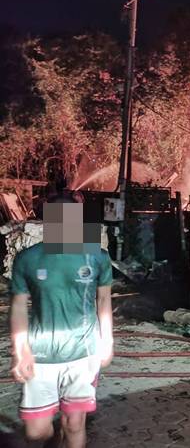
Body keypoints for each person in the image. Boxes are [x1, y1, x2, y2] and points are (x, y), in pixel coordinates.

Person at [8, 192, 113, 448]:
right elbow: (19, 305)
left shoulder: (97, 256)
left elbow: (103, 301)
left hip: (83, 352)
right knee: (36, 433)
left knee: (74, 424)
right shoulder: (27, 258)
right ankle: (53, 438)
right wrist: (20, 351)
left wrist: (107, 341)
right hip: (40, 354)